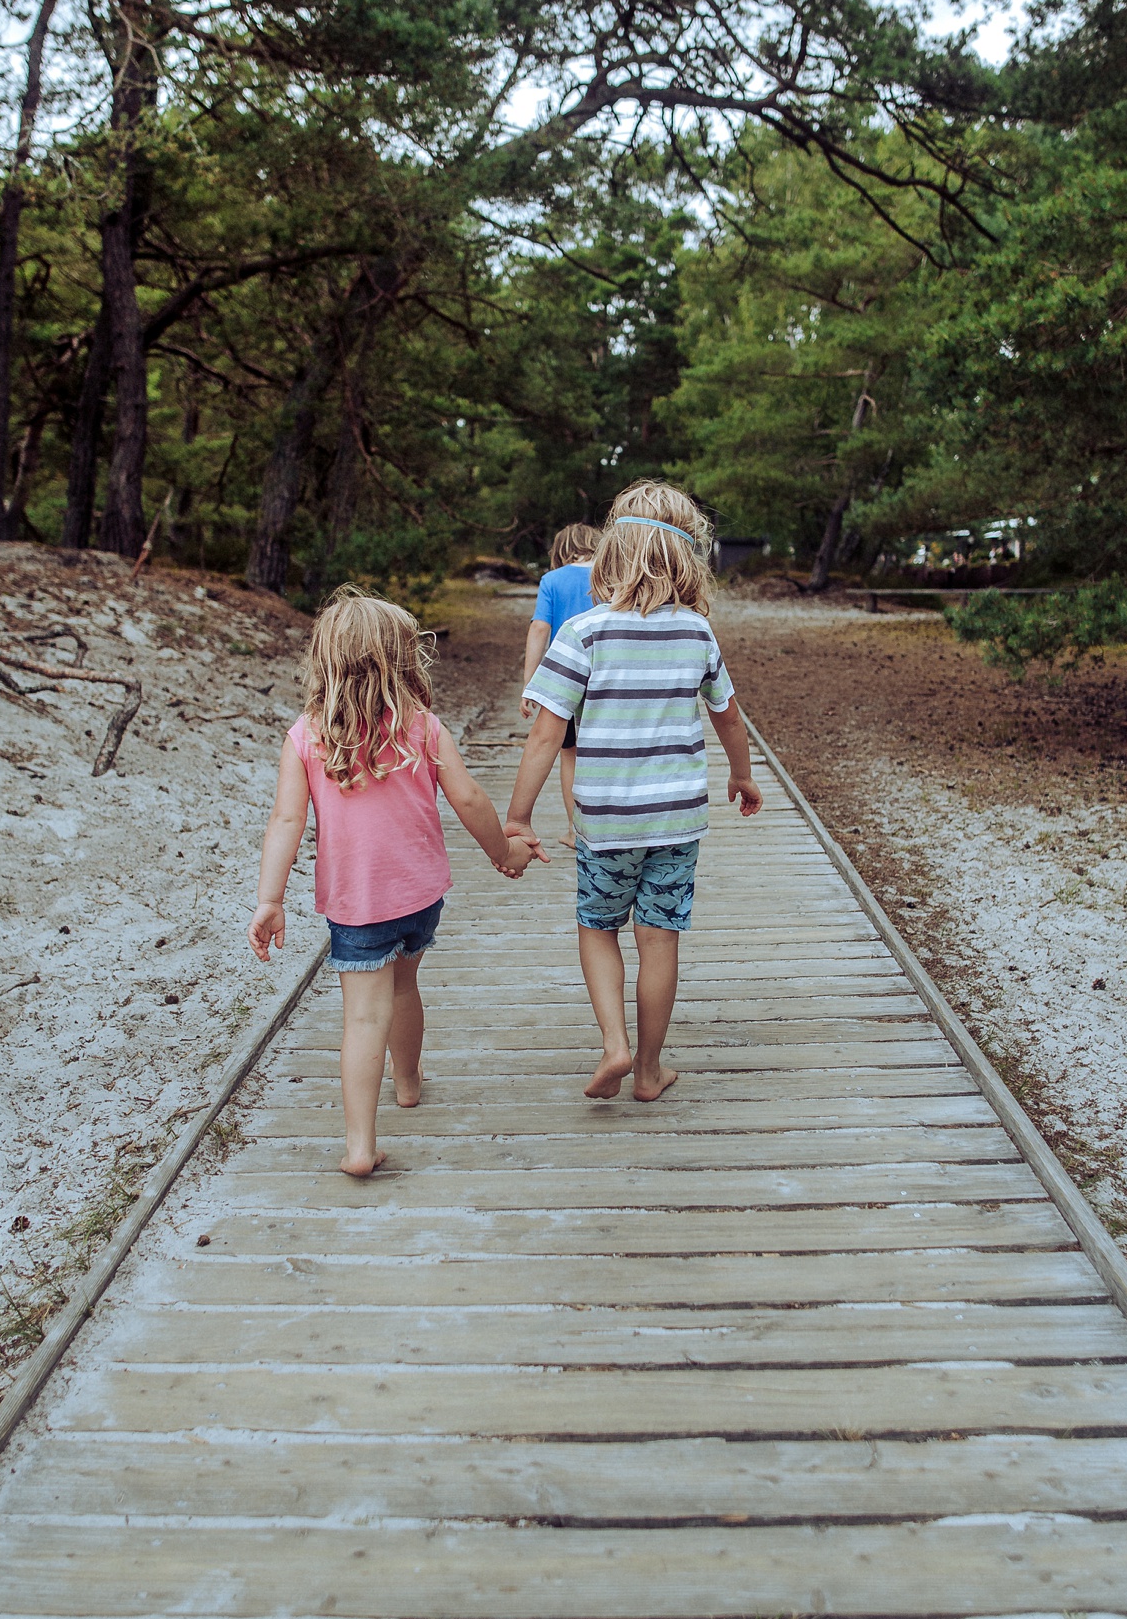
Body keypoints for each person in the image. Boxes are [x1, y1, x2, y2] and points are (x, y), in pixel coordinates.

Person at [249, 589, 536, 1176]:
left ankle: (360, 1144)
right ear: (399, 660)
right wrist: (502, 851)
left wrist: (270, 899)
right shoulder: (422, 727)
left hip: (355, 904)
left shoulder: (306, 736)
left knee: (362, 1017)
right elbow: (469, 797)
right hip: (417, 895)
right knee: (405, 985)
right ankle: (407, 1082)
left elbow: (286, 819)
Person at [504, 480, 762, 1103]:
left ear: (612, 555)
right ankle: (649, 1069)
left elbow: (546, 736)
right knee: (659, 938)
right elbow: (728, 715)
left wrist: (518, 816)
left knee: (598, 926)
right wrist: (742, 774)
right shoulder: (698, 633)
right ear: (685, 561)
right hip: (677, 818)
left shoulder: (585, 633)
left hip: (606, 819)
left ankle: (614, 1044)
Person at [521, 521, 601, 849]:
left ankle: (576, 831)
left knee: (569, 755)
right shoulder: (612, 575)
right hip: (607, 675)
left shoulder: (552, 580)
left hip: (567, 679)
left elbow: (540, 629)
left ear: (561, 549)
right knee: (602, 753)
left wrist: (530, 685)